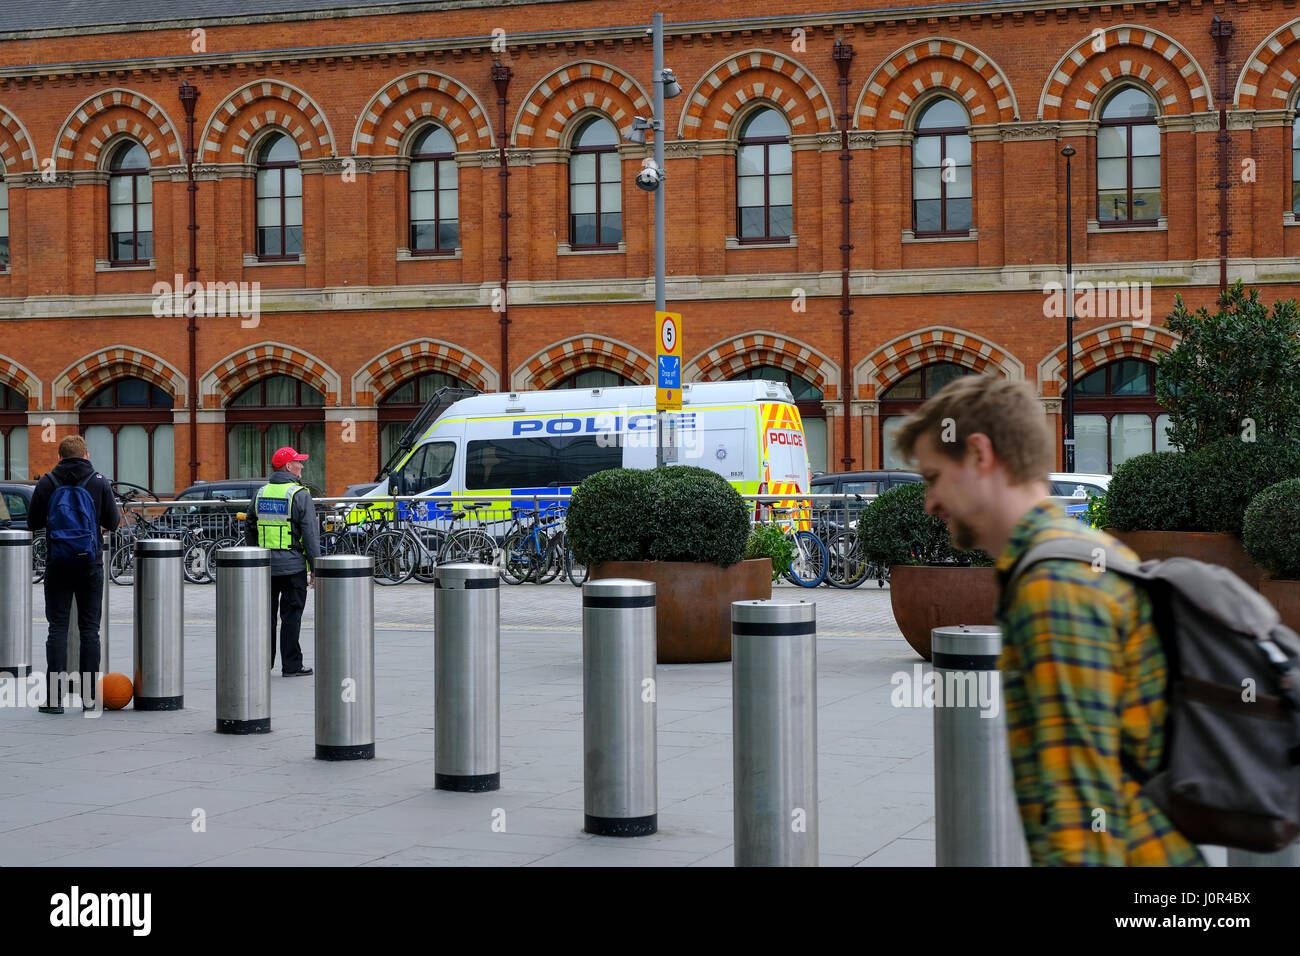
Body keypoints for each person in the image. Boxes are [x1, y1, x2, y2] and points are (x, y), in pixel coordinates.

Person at [892, 374, 1203, 866]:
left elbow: (1083, 813)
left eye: (933, 477)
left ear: (979, 454)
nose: (929, 503)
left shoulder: (1053, 583)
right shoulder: (1078, 552)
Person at [27, 434, 121, 714]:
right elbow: (113, 522)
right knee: (90, 630)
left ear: (59, 456)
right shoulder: (99, 481)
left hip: (58, 563)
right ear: (86, 455)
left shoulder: (47, 482)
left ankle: (54, 699)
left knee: (57, 628)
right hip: (90, 563)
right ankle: (89, 698)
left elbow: (33, 522)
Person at [245, 446, 320, 676]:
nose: (302, 466)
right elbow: (309, 534)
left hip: (264, 567)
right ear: (288, 467)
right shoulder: (299, 494)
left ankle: (262, 664)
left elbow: (250, 525)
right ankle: (291, 665)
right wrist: (316, 566)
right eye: (298, 462)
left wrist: (255, 556)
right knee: (291, 616)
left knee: (265, 617)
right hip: (293, 566)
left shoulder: (261, 492)